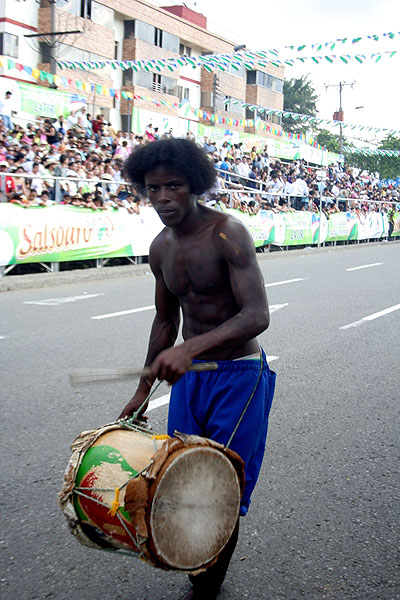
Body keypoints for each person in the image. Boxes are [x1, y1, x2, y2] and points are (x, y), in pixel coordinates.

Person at [119, 138, 276, 600]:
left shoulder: (228, 232)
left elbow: (256, 316)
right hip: (191, 381)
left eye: (174, 186)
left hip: (238, 376)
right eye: (153, 189)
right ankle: (198, 563)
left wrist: (191, 349)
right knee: (182, 478)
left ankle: (208, 583)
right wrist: (142, 391)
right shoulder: (159, 248)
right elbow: (165, 321)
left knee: (221, 485)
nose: (163, 197)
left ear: (195, 185)